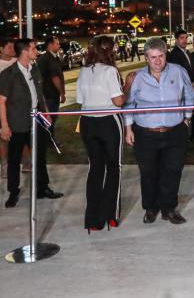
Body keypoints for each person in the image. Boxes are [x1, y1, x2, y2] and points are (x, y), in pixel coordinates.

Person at [124, 37, 194, 225]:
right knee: (148, 173)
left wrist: (187, 118)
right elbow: (129, 104)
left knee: (172, 171)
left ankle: (169, 208)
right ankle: (150, 208)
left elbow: (189, 94)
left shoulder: (178, 72)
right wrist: (128, 128)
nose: (157, 61)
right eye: (152, 57)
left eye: (161, 56)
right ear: (146, 58)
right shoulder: (137, 78)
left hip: (174, 131)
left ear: (166, 55)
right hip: (146, 133)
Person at [0, 39, 64, 208]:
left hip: (37, 118)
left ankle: (43, 188)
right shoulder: (8, 74)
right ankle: (13, 192)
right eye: (34, 48)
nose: (37, 51)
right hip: (17, 121)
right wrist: (4, 126)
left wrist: (46, 114)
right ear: (24, 52)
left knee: (40, 155)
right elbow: (1, 101)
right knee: (14, 159)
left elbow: (39, 93)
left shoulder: (34, 69)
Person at [76, 36, 125, 233]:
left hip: (88, 122)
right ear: (108, 51)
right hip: (108, 121)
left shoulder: (83, 71)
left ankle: (93, 220)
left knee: (95, 168)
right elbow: (119, 101)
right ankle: (110, 215)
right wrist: (128, 86)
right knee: (114, 167)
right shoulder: (110, 71)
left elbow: (81, 99)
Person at [0, 38, 17, 179]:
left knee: (21, 135)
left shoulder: (17, 62)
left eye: (14, 48)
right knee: (5, 137)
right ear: (2, 48)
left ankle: (27, 162)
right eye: (9, 47)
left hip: (16, 106)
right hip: (3, 106)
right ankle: (4, 166)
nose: (12, 50)